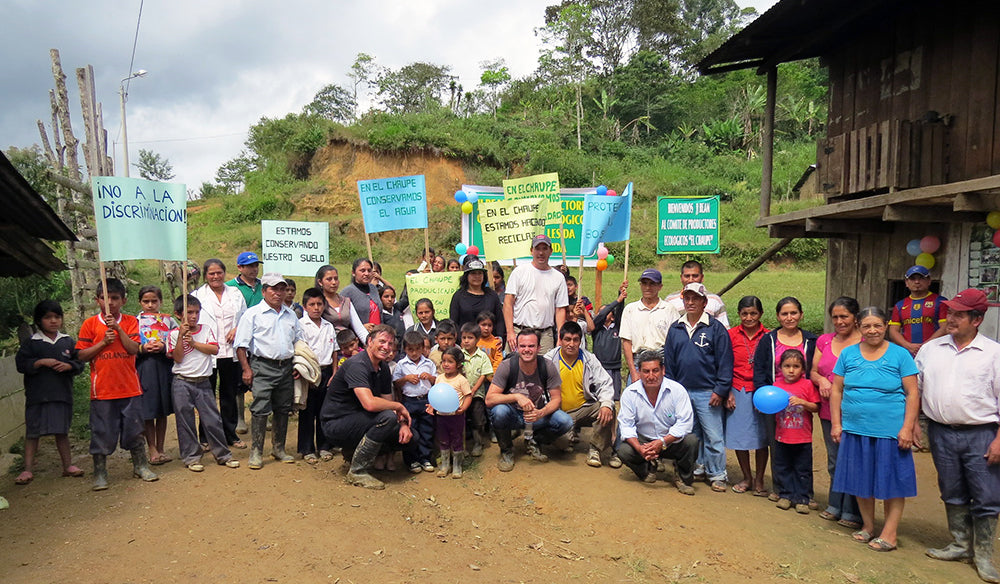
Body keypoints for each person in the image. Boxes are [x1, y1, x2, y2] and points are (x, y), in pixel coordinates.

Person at [916, 288, 1000, 582]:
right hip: (941, 431)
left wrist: (999, 439)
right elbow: (917, 390)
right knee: (951, 488)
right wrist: (915, 422)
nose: (951, 319)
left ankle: (984, 555)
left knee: (986, 494)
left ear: (976, 319)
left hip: (982, 433)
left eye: (959, 315)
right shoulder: (931, 349)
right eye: (950, 313)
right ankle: (960, 544)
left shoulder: (993, 353)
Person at [830, 306, 919, 552]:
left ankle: (890, 534)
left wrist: (907, 428)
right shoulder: (848, 355)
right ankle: (868, 526)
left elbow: (912, 394)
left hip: (889, 431)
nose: (872, 331)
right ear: (859, 327)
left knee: (892, 483)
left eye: (877, 325)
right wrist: (837, 424)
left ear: (886, 326)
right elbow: (836, 390)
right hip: (855, 429)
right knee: (861, 480)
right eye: (867, 326)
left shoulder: (900, 355)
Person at [76, 278, 158, 490]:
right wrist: (103, 342)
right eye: (105, 298)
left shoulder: (131, 322)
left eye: (114, 298)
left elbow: (133, 349)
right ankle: (100, 472)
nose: (110, 303)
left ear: (123, 300)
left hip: (129, 387)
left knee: (134, 429)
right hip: (102, 390)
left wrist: (118, 330)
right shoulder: (90, 324)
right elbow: (82, 355)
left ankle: (140, 465)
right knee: (101, 431)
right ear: (97, 300)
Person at [321, 324, 415, 490]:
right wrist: (399, 406)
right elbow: (370, 404)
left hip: (361, 419)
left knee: (412, 437)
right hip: (336, 423)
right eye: (382, 341)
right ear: (369, 341)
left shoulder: (383, 368)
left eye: (390, 343)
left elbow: (387, 403)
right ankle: (358, 471)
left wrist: (402, 425)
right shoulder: (357, 365)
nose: (386, 347)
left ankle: (354, 452)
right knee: (386, 418)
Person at [664, 282, 733, 492]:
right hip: (683, 392)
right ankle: (696, 467)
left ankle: (717, 474)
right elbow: (670, 362)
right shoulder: (676, 328)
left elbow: (725, 362)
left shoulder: (716, 329)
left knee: (713, 435)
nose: (691, 302)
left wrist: (720, 390)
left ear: (704, 302)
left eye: (696, 299)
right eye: (688, 298)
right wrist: (675, 392)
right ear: (683, 301)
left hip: (707, 392)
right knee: (691, 435)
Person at [233, 273, 304, 470]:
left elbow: (298, 340)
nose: (278, 293)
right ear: (264, 291)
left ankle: (278, 448)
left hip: (286, 367)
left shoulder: (290, 315)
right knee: (260, 408)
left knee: (283, 408)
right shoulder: (253, 314)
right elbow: (241, 346)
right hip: (262, 366)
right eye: (274, 289)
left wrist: (299, 364)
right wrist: (246, 369)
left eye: (282, 289)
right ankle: (256, 451)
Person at [753, 296, 818, 502]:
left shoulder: (811, 340)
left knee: (801, 447)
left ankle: (803, 493)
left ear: (801, 315)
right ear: (778, 316)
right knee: (778, 445)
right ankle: (781, 489)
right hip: (774, 401)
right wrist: (763, 396)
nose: (789, 317)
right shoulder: (768, 340)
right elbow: (760, 369)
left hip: (801, 402)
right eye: (784, 313)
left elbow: (816, 369)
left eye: (793, 313)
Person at [14, 300, 85, 485]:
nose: (53, 321)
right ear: (39, 321)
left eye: (57, 317)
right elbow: (21, 364)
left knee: (62, 431)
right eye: (48, 317)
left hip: (61, 394)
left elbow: (80, 364)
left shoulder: (68, 341)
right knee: (33, 433)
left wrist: (68, 365)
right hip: (37, 396)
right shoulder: (31, 343)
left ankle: (68, 466)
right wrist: (40, 362)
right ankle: (27, 469)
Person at [168, 295, 240, 472]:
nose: (193, 316)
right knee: (185, 421)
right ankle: (191, 456)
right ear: (178, 315)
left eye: (197, 312)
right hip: (182, 382)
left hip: (203, 382)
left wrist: (193, 342)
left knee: (212, 420)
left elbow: (214, 349)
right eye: (189, 313)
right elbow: (177, 357)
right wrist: (181, 337)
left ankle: (223, 455)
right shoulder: (173, 334)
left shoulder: (206, 329)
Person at [486, 328, 573, 471]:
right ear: (517, 347)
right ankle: (506, 451)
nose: (527, 350)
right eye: (523, 346)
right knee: (499, 411)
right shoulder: (507, 366)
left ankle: (535, 440)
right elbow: (489, 399)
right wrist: (516, 396)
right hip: (513, 414)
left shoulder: (547, 366)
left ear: (539, 348)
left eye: (531, 346)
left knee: (565, 421)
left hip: (537, 415)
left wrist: (542, 412)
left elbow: (557, 399)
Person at [810, 297, 863, 528]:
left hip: (856, 410)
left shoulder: (865, 341)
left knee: (854, 460)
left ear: (855, 318)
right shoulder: (824, 340)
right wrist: (821, 380)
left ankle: (852, 510)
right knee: (834, 459)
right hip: (828, 410)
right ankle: (835, 503)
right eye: (835, 317)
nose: (840, 322)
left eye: (845, 317)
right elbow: (813, 370)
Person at [616, 350, 699, 495]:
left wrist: (662, 442)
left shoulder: (677, 391)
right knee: (624, 450)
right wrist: (639, 448)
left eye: (655, 371)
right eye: (646, 371)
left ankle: (683, 478)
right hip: (645, 440)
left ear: (663, 370)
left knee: (691, 441)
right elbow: (626, 426)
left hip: (669, 440)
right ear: (639, 373)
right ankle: (646, 470)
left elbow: (685, 424)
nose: (651, 376)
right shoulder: (630, 393)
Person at [544, 322, 616, 468]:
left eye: (575, 340)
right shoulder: (548, 360)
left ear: (581, 341)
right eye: (567, 339)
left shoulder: (589, 359)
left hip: (584, 408)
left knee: (608, 408)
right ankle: (567, 437)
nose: (571, 344)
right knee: (563, 444)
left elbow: (605, 383)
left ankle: (595, 449)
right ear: (561, 339)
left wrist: (606, 404)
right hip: (559, 412)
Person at [192, 258, 248, 446]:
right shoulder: (198, 295)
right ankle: (205, 436)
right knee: (206, 396)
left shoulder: (235, 293)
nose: (216, 276)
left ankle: (230, 434)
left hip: (230, 352)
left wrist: (237, 328)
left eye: (219, 273)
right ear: (205, 275)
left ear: (225, 273)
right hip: (208, 353)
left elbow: (244, 317)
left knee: (229, 395)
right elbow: (193, 321)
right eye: (211, 273)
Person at [725, 295, 770, 496]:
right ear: (739, 315)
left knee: (761, 437)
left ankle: (759, 478)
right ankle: (746, 477)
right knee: (740, 436)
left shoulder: (769, 336)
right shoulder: (731, 335)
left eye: (753, 313)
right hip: (737, 389)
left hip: (762, 391)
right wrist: (727, 392)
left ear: (760, 314)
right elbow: (724, 364)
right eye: (745, 313)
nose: (749, 317)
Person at [771, 349, 820, 514]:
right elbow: (769, 405)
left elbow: (816, 407)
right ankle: (785, 495)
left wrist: (802, 402)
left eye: (796, 366)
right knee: (783, 467)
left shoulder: (807, 385)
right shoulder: (776, 386)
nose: (791, 370)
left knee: (802, 469)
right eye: (787, 366)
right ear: (780, 368)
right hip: (782, 436)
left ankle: (802, 498)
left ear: (803, 369)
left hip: (802, 438)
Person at [503, 234, 569, 354]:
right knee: (513, 369)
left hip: (545, 335)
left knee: (545, 370)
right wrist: (510, 331)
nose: (541, 253)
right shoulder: (519, 272)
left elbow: (560, 309)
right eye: (537, 249)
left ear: (551, 251)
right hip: (519, 331)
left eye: (545, 249)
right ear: (531, 251)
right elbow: (508, 303)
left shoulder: (558, 277)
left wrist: (560, 335)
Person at [135, 285, 176, 465]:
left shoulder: (170, 321)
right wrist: (142, 348)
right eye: (146, 301)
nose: (150, 305)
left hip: (164, 366)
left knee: (162, 409)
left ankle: (161, 448)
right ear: (140, 302)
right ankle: (151, 448)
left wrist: (165, 347)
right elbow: (129, 346)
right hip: (144, 367)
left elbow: (177, 343)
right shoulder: (134, 322)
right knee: (148, 408)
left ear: (161, 301)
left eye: (154, 301)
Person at [297, 287, 339, 464]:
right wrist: (306, 374)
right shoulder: (300, 325)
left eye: (319, 304)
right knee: (307, 411)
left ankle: (324, 446)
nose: (316, 308)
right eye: (312, 304)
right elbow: (300, 350)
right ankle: (307, 449)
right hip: (309, 372)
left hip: (327, 370)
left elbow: (334, 350)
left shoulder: (328, 326)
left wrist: (335, 372)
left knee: (325, 411)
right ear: (305, 306)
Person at [620, 269, 680, 382]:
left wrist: (667, 368)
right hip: (639, 364)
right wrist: (633, 371)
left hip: (662, 365)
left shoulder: (669, 309)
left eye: (652, 284)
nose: (648, 287)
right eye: (644, 283)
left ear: (660, 286)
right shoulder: (631, 310)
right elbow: (626, 343)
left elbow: (675, 341)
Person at [392, 330, 438, 473]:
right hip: (409, 402)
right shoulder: (401, 364)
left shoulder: (429, 363)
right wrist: (406, 379)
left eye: (418, 349)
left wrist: (429, 377)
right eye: (410, 349)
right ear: (404, 349)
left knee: (426, 430)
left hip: (425, 400)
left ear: (423, 348)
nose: (414, 353)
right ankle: (412, 460)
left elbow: (437, 381)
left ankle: (425, 458)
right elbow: (396, 383)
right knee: (412, 429)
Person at [429, 346, 473, 478]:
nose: (446, 364)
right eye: (444, 361)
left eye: (450, 361)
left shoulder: (461, 380)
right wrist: (432, 406)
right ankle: (445, 465)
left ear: (458, 364)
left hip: (456, 417)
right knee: (443, 440)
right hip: (441, 416)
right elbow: (436, 395)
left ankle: (457, 466)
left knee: (457, 440)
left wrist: (463, 408)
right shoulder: (439, 378)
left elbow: (468, 396)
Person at [889, 265, 948, 356]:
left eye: (921, 278)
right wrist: (908, 346)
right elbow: (893, 331)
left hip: (934, 352)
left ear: (929, 281)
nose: (917, 282)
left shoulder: (940, 302)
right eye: (912, 279)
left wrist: (926, 345)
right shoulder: (900, 305)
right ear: (906, 282)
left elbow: (945, 327)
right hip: (908, 353)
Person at [458, 322, 495, 457]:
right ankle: (462, 447)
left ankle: (478, 443)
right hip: (461, 395)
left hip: (476, 395)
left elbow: (484, 375)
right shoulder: (459, 355)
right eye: (464, 338)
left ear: (477, 339)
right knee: (461, 419)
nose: (466, 341)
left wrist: (473, 390)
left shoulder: (483, 356)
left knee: (477, 420)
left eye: (470, 338)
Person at [450, 257, 505, 341]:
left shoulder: (492, 295)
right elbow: (454, 323)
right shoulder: (458, 296)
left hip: (490, 344)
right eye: (473, 273)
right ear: (466, 276)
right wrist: (460, 341)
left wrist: (500, 338)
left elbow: (500, 320)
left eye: (480, 273)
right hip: (465, 344)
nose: (477, 276)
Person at [314, 264, 368, 344]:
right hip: (326, 346)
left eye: (336, 279)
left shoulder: (346, 301)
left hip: (348, 347)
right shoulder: (317, 303)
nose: (334, 282)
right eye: (329, 279)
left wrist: (371, 345)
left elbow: (359, 329)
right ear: (320, 282)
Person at [665, 260, 729, 327]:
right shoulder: (670, 300)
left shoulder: (714, 300)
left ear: (702, 277)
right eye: (687, 276)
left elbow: (724, 329)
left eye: (695, 276)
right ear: (681, 278)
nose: (691, 280)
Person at [592, 282, 627, 400]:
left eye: (608, 311)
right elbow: (601, 315)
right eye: (601, 311)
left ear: (612, 317)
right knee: (600, 397)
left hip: (614, 368)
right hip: (600, 367)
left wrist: (620, 294)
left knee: (615, 397)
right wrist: (617, 300)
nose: (603, 313)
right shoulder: (596, 329)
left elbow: (620, 310)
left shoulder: (617, 327)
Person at [340, 258, 382, 331]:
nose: (366, 273)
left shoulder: (373, 289)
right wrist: (361, 327)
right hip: (359, 337)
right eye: (362, 271)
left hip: (377, 335)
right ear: (353, 272)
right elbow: (341, 319)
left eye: (369, 270)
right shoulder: (347, 292)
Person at [379, 284, 406, 361]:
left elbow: (407, 298)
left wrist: (410, 279)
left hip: (403, 349)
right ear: (380, 298)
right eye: (386, 296)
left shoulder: (397, 308)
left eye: (392, 297)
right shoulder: (380, 315)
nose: (390, 299)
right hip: (391, 352)